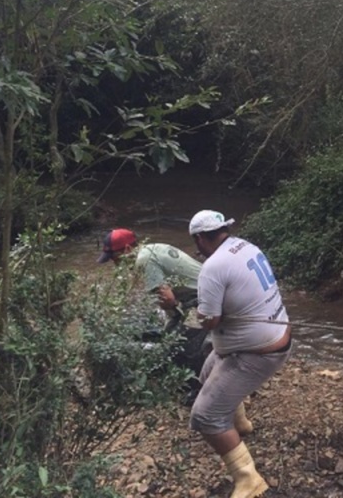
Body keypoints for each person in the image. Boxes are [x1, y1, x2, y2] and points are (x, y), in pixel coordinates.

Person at [189, 209, 291, 498]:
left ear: (199, 239)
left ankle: (249, 479)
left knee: (205, 416)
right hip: (276, 335)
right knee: (208, 372)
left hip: (260, 352)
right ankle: (239, 424)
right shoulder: (246, 246)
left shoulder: (212, 268)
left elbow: (210, 321)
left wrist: (197, 312)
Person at [96, 228, 202, 316]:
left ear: (127, 249)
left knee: (176, 338)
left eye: (115, 258)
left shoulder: (144, 260)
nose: (115, 263)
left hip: (204, 295)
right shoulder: (150, 249)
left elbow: (168, 299)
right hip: (209, 285)